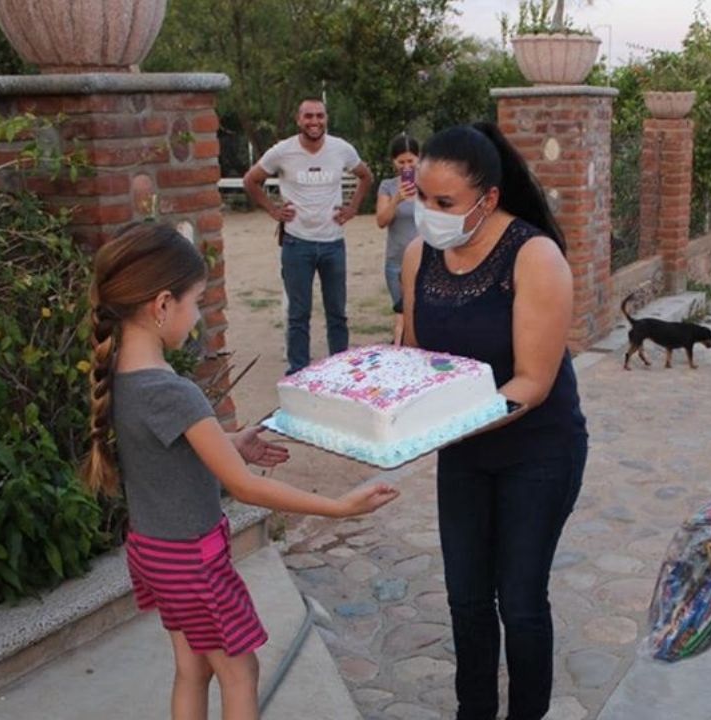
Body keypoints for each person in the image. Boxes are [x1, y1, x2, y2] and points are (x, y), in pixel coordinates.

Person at [81, 223, 398, 720]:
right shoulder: (173, 392)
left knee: (192, 668)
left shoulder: (120, 374)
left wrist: (229, 445)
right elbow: (242, 487)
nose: (199, 315)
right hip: (195, 564)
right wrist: (339, 507)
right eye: (196, 302)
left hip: (153, 554)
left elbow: (164, 452)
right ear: (162, 305)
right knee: (240, 672)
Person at [399, 123, 587, 720]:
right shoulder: (416, 256)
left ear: (489, 200)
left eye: (444, 203)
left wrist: (442, 426)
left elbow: (532, 381)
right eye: (421, 197)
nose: (429, 213)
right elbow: (414, 351)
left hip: (538, 449)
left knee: (522, 599)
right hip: (464, 450)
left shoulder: (534, 257)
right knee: (466, 600)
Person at [243, 97, 375, 375]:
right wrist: (273, 210)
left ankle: (340, 369)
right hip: (297, 243)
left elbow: (366, 176)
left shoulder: (341, 149)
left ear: (326, 118)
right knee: (298, 315)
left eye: (319, 116)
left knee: (337, 313)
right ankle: (298, 372)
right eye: (308, 116)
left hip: (333, 243)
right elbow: (250, 180)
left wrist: (352, 208)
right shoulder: (282, 151)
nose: (314, 122)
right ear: (298, 120)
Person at [375, 133, 421, 344]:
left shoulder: (429, 184)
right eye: (401, 162)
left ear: (419, 159)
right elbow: (382, 220)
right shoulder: (388, 186)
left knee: (422, 314)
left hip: (425, 259)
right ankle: (401, 351)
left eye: (410, 161)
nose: (406, 166)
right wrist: (397, 199)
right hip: (396, 261)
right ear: (393, 162)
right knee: (402, 314)